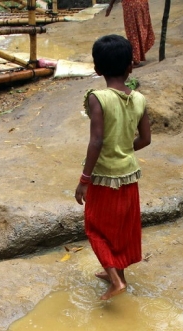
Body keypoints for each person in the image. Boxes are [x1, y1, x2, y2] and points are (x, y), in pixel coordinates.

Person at [75, 34, 152, 301]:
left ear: (97, 69)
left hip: (104, 177)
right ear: (130, 66)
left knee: (95, 227)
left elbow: (96, 140)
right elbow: (145, 139)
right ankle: (117, 274)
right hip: (129, 175)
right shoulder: (140, 99)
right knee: (121, 227)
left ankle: (116, 281)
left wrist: (84, 178)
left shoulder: (98, 98)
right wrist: (123, 148)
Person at [105, 0, 155, 67]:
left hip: (131, 5)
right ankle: (138, 55)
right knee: (141, 26)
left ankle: (136, 59)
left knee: (133, 31)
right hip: (142, 3)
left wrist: (110, 6)